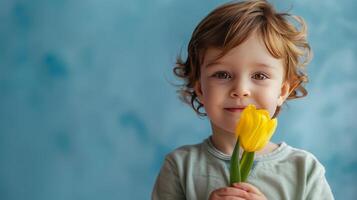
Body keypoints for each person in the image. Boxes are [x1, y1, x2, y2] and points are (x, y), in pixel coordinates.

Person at [152, 0, 334, 199]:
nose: (241, 90)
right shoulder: (180, 167)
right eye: (222, 74)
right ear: (200, 89)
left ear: (282, 91)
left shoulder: (305, 170)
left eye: (259, 76)